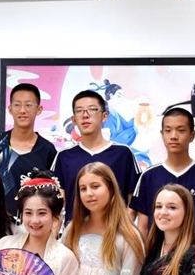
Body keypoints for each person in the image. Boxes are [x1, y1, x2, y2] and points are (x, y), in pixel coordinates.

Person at [131, 108, 195, 244]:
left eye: (181, 130)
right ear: (162, 134)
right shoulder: (148, 176)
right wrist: (145, 261)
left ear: (192, 135)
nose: (173, 136)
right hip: (157, 260)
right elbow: (143, 226)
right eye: (168, 130)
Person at [52, 90, 141, 222]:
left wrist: (122, 231)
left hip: (115, 235)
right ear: (74, 119)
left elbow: (133, 202)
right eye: (79, 111)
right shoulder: (64, 157)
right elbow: (57, 203)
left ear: (104, 116)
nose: (85, 115)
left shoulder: (123, 154)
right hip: (75, 236)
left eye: (92, 110)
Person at [0, 83, 57, 217]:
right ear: (10, 108)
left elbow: (51, 193)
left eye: (28, 105)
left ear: (39, 109)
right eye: (17, 105)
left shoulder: (47, 150)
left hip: (32, 223)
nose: (22, 110)